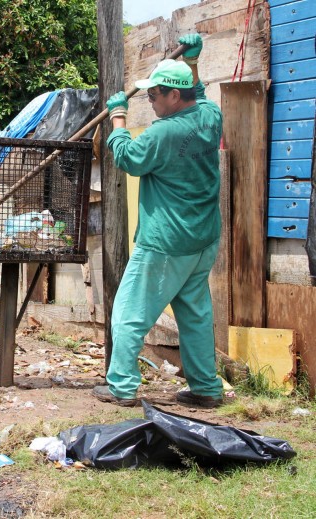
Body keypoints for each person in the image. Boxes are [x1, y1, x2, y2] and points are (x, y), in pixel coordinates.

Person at [92, 33, 224, 408]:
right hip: (202, 238)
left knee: (130, 311)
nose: (149, 101)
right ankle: (206, 389)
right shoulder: (209, 116)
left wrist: (118, 117)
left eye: (155, 95)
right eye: (146, 95)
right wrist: (193, 63)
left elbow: (129, 158)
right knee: (195, 314)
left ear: (175, 97)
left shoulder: (165, 133)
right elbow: (198, 89)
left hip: (166, 242)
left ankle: (120, 386)